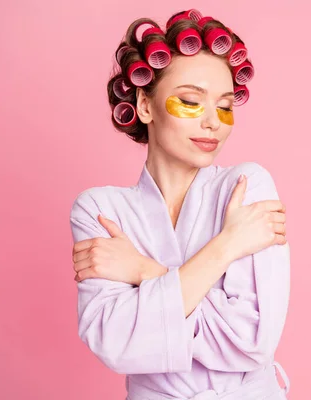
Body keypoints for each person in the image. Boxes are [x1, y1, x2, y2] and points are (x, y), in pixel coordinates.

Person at [69, 9, 291, 400]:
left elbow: (252, 341)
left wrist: (142, 271)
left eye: (224, 106)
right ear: (145, 104)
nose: (213, 123)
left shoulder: (246, 185)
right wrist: (227, 246)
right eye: (190, 101)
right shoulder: (100, 210)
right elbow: (116, 344)